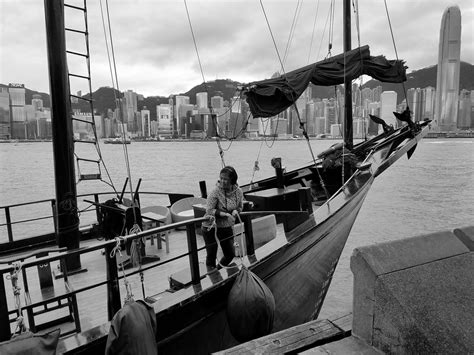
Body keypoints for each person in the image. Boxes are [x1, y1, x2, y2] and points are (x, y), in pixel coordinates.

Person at [202, 166, 244, 269]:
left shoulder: (238, 192)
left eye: (226, 179)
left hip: (226, 226)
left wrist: (236, 211)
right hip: (211, 227)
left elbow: (240, 207)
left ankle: (217, 270)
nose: (222, 181)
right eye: (221, 178)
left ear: (232, 180)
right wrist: (225, 214)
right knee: (211, 255)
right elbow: (209, 210)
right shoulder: (215, 192)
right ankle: (213, 275)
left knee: (230, 254)